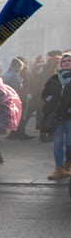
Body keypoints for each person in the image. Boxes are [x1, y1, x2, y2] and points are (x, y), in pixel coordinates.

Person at [41, 51, 71, 180]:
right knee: (57, 143)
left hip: (70, 115)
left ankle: (68, 166)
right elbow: (44, 93)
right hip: (57, 116)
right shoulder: (53, 79)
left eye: (69, 61)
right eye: (64, 61)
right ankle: (59, 169)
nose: (66, 63)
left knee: (70, 143)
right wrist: (50, 100)